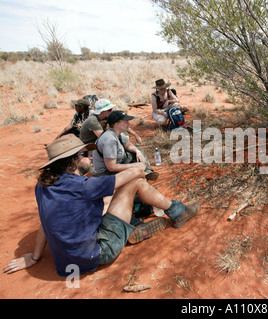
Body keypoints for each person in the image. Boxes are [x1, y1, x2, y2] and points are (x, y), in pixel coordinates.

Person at [2, 134, 199, 276]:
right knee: (135, 184)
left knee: (107, 200)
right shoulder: (83, 186)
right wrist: (139, 167)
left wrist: (35, 257)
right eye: (84, 154)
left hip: (68, 263)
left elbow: (45, 221)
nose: (89, 157)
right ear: (74, 161)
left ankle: (133, 226)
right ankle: (177, 212)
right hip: (98, 253)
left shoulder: (42, 186)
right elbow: (133, 175)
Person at [92, 110, 158, 181]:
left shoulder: (118, 133)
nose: (129, 124)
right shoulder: (109, 140)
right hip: (106, 174)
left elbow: (128, 145)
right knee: (136, 177)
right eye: (126, 122)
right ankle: (139, 180)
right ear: (117, 124)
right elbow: (111, 167)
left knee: (138, 150)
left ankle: (147, 172)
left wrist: (137, 151)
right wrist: (134, 166)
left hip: (117, 164)